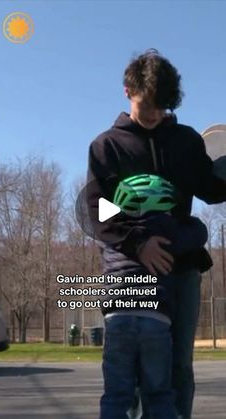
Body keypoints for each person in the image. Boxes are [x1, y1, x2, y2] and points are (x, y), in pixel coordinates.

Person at [86, 49, 226, 419]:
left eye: (161, 106)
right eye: (146, 103)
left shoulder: (185, 141)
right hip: (131, 270)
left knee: (178, 367)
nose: (153, 114)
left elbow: (210, 189)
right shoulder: (107, 146)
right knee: (127, 376)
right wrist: (138, 244)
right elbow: (98, 209)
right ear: (127, 90)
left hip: (181, 272)